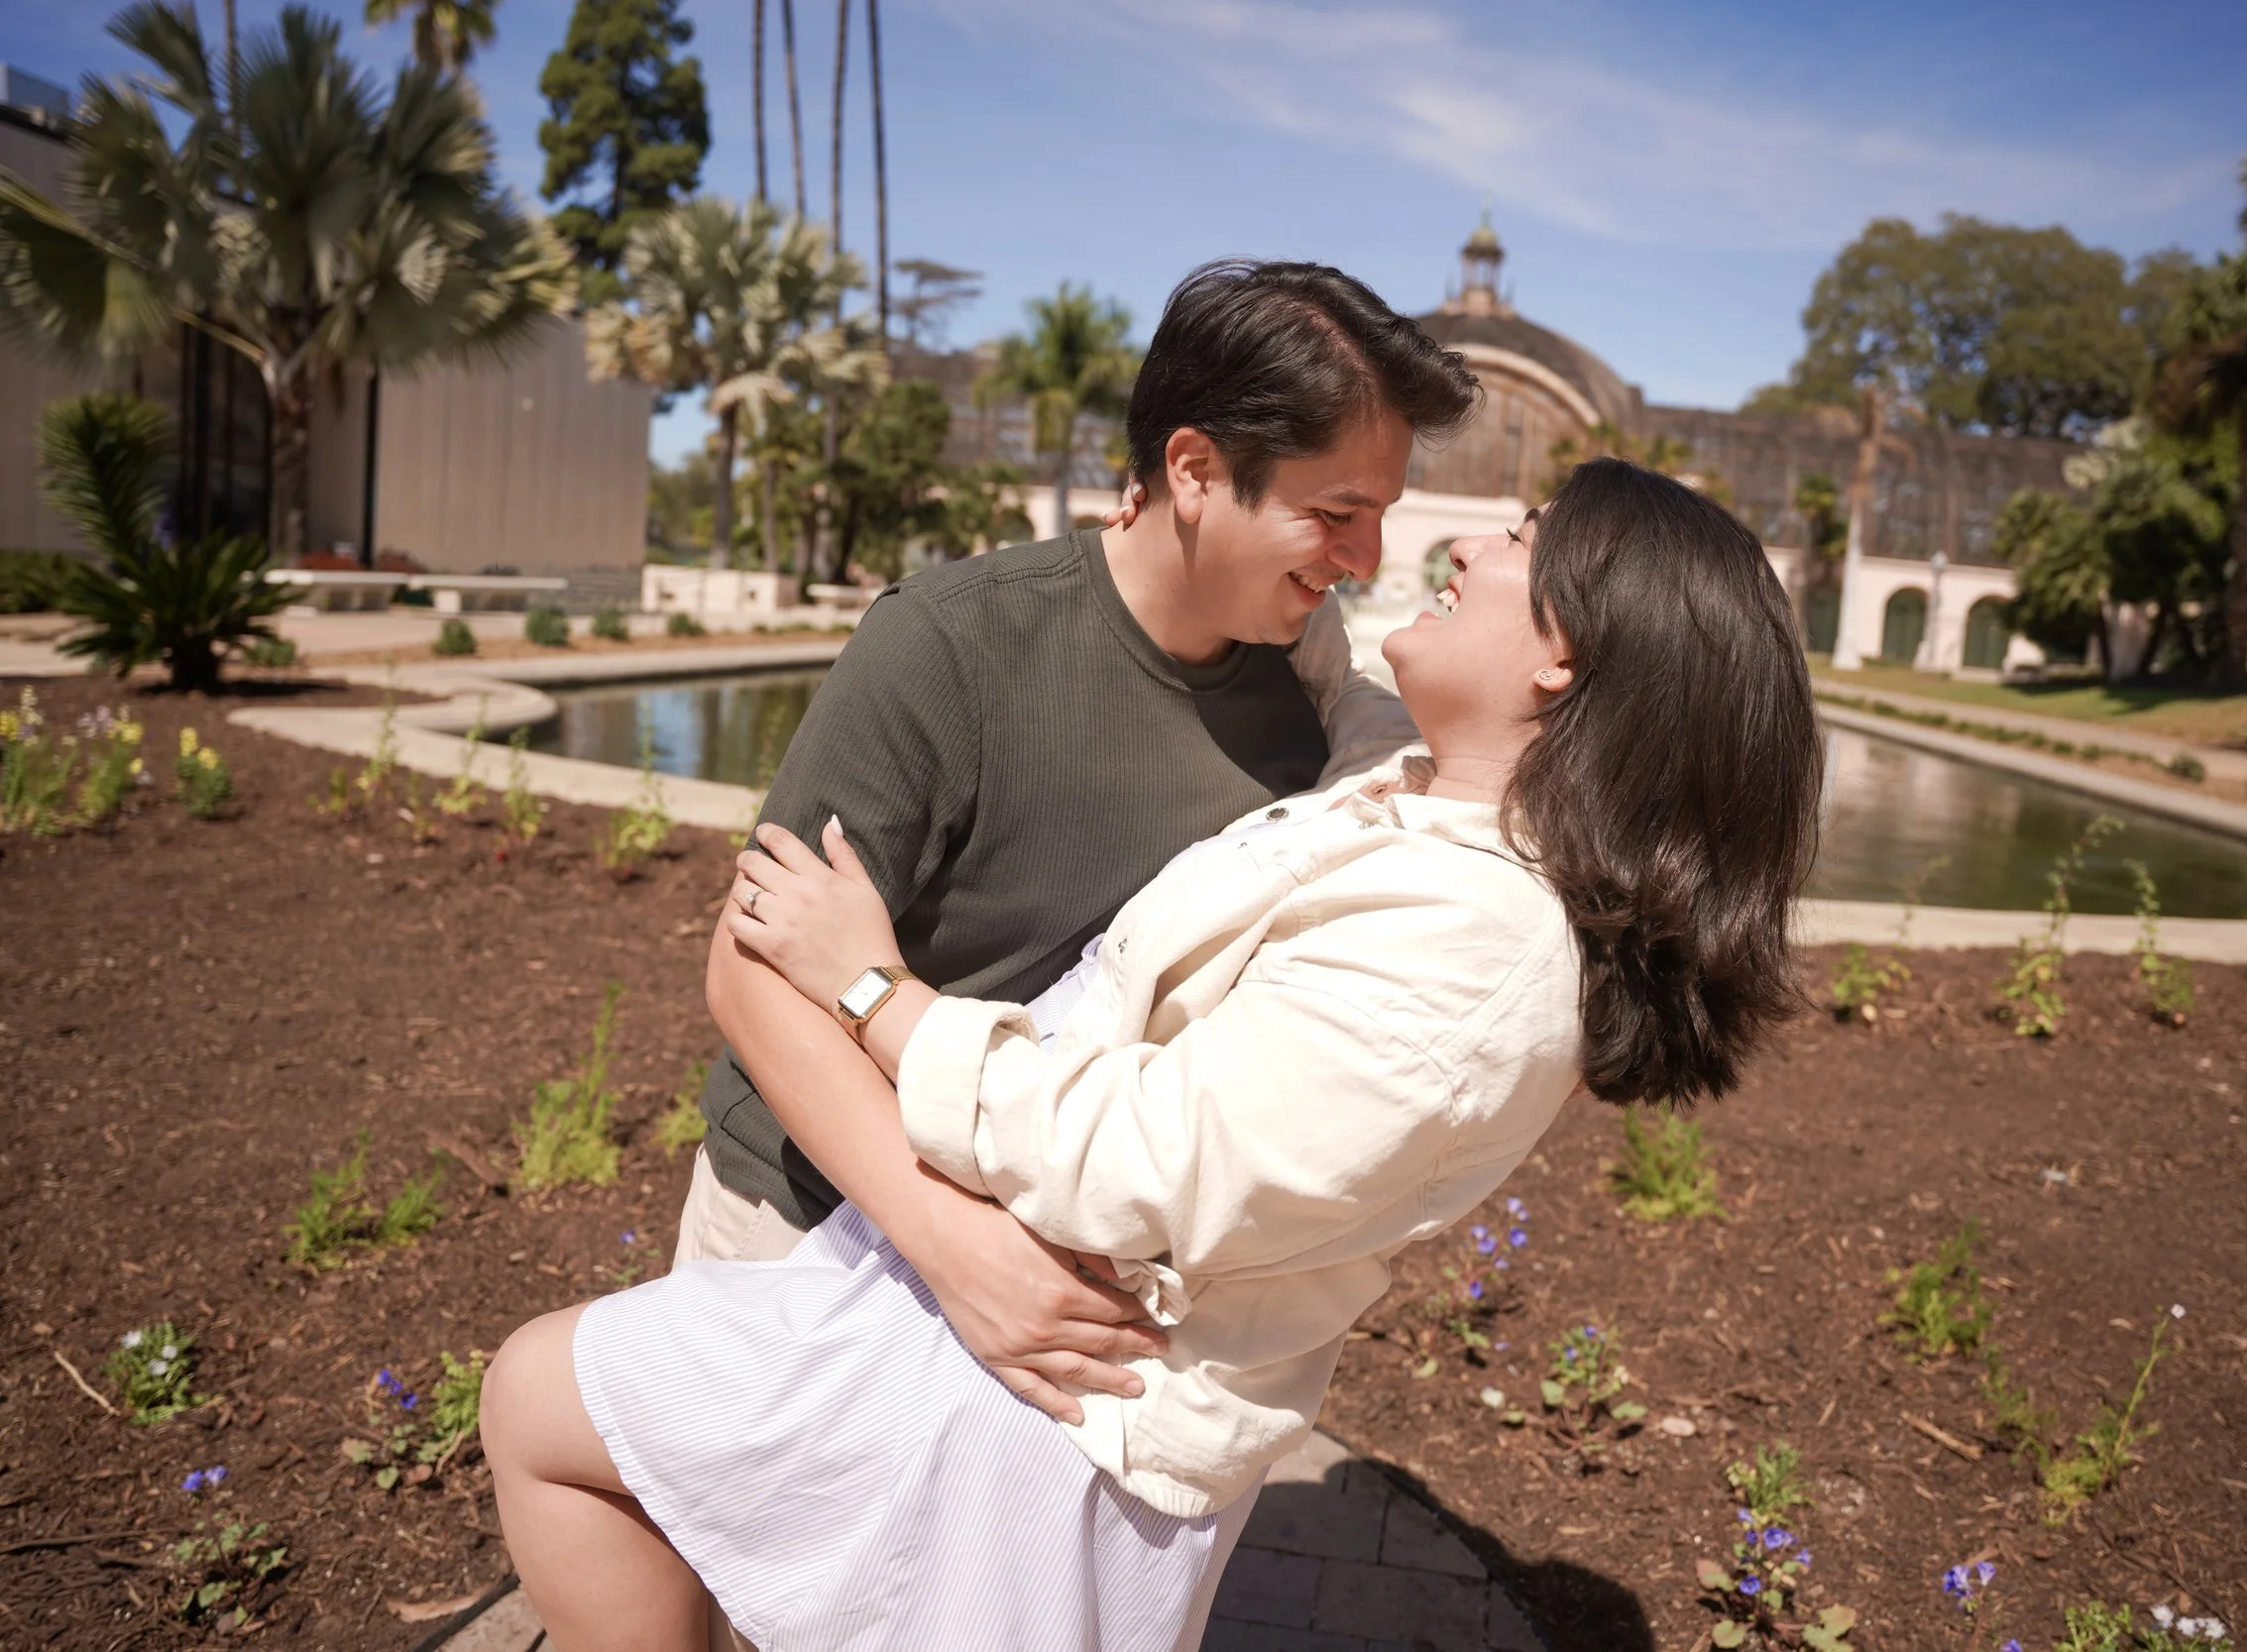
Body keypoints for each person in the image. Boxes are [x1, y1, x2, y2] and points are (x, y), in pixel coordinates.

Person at [481, 458, 1826, 1652]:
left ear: (1565, 656)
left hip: (1062, 1389)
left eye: (1518, 540)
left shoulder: (1481, 947)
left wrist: (873, 986)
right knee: (559, 1411)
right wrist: (1188, 523)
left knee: (547, 1404)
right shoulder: (1422, 793)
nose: (1457, 547)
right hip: (1032, 1326)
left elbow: (1136, 1156)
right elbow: (1340, 682)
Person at [675, 259, 1478, 1427]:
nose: (1364, 558)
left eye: (1381, 517)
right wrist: (951, 1240)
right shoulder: (950, 644)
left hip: (1056, 1281)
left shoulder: (1301, 697)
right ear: (1192, 471)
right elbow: (749, 972)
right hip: (809, 1220)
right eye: (1336, 514)